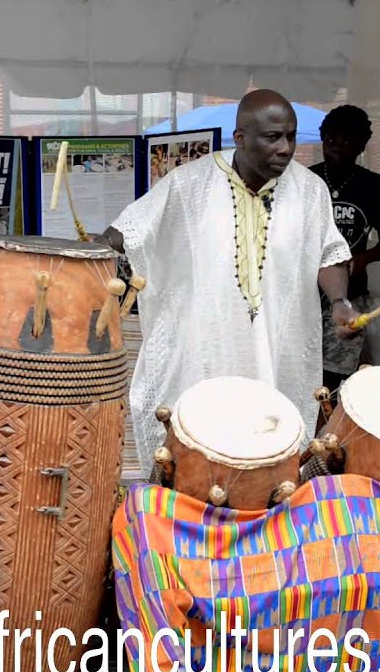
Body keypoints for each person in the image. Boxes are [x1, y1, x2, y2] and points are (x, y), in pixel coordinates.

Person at [100, 89, 361, 476]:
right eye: (272, 137)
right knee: (195, 448)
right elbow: (132, 228)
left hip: (278, 349)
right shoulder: (189, 184)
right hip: (203, 349)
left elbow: (330, 253)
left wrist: (339, 301)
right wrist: (90, 251)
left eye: (290, 136)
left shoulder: (310, 191)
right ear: (240, 138)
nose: (286, 148)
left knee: (270, 445)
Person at [309, 105, 380, 392]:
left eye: (347, 141)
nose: (337, 147)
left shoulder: (374, 187)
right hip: (303, 295)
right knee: (301, 366)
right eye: (330, 140)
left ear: (362, 145)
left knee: (336, 373)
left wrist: (365, 258)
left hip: (351, 293)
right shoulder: (306, 182)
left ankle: (327, 429)